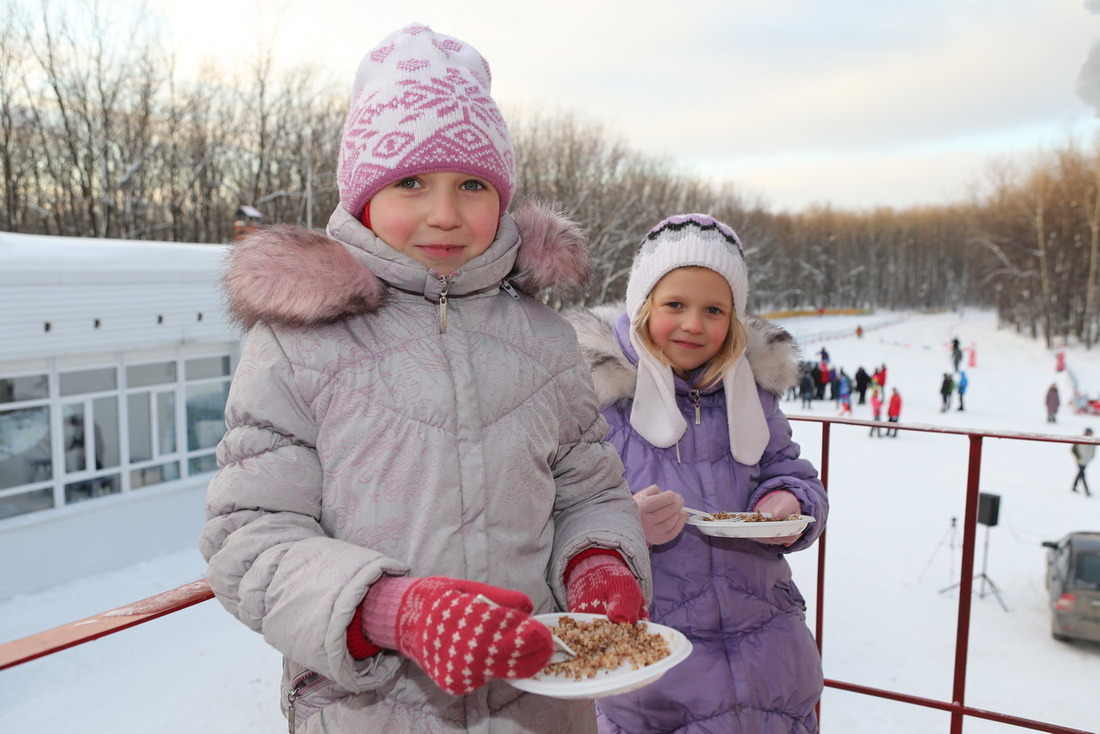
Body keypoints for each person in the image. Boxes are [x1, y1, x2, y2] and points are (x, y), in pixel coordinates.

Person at [199, 25, 651, 733]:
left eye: (472, 184)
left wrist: (599, 559)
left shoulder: (544, 340)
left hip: (537, 706)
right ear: (363, 193)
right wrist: (390, 609)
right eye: (411, 182)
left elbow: (589, 491)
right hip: (368, 713)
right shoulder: (296, 344)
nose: (445, 214)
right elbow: (248, 538)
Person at [567, 214, 828, 734]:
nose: (694, 323)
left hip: (769, 659)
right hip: (656, 673)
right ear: (644, 306)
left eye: (714, 309)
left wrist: (790, 503)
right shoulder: (596, 402)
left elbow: (791, 473)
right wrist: (624, 524)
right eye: (675, 305)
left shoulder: (751, 395)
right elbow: (565, 511)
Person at [1072, 428, 1095, 496]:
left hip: (1086, 461)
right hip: (1080, 461)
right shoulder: (1080, 439)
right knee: (1083, 474)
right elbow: (1073, 449)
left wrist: (1091, 458)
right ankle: (1087, 490)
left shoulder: (1092, 441)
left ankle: (1074, 486)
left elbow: (1093, 451)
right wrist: (1078, 457)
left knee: (1080, 474)